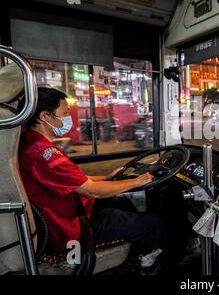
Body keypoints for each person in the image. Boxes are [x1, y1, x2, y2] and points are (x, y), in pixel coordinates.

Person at [18, 87, 168, 269]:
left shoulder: (31, 143)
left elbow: (75, 180)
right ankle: (148, 264)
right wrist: (137, 181)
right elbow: (91, 190)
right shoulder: (43, 153)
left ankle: (136, 252)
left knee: (123, 204)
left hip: (72, 210)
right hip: (72, 226)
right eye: (64, 113)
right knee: (153, 223)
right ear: (45, 116)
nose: (68, 119)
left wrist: (107, 177)